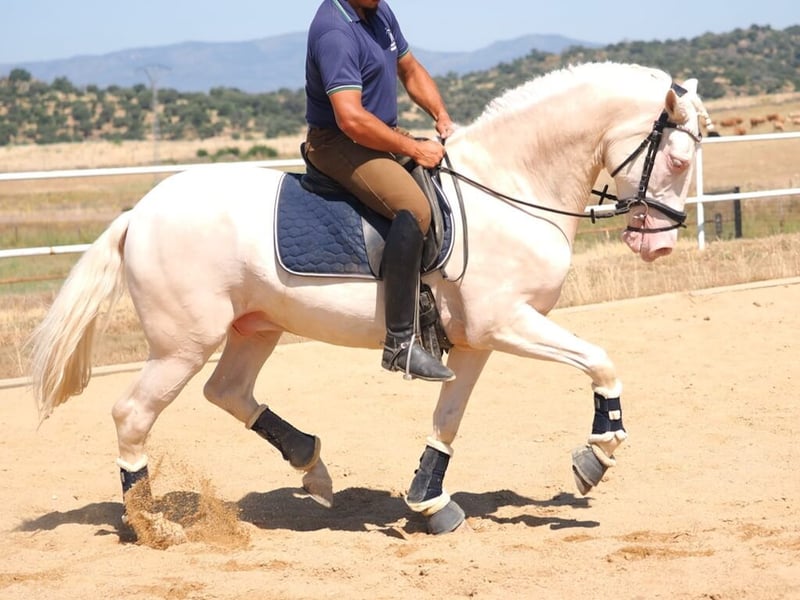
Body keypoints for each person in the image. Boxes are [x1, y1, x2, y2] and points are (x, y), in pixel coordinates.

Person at [304, 0, 456, 382]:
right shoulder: (334, 30)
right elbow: (351, 119)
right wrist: (414, 148)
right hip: (339, 142)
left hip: (379, 133)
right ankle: (400, 343)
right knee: (414, 208)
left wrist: (440, 115)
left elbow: (410, 69)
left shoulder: (379, 11)